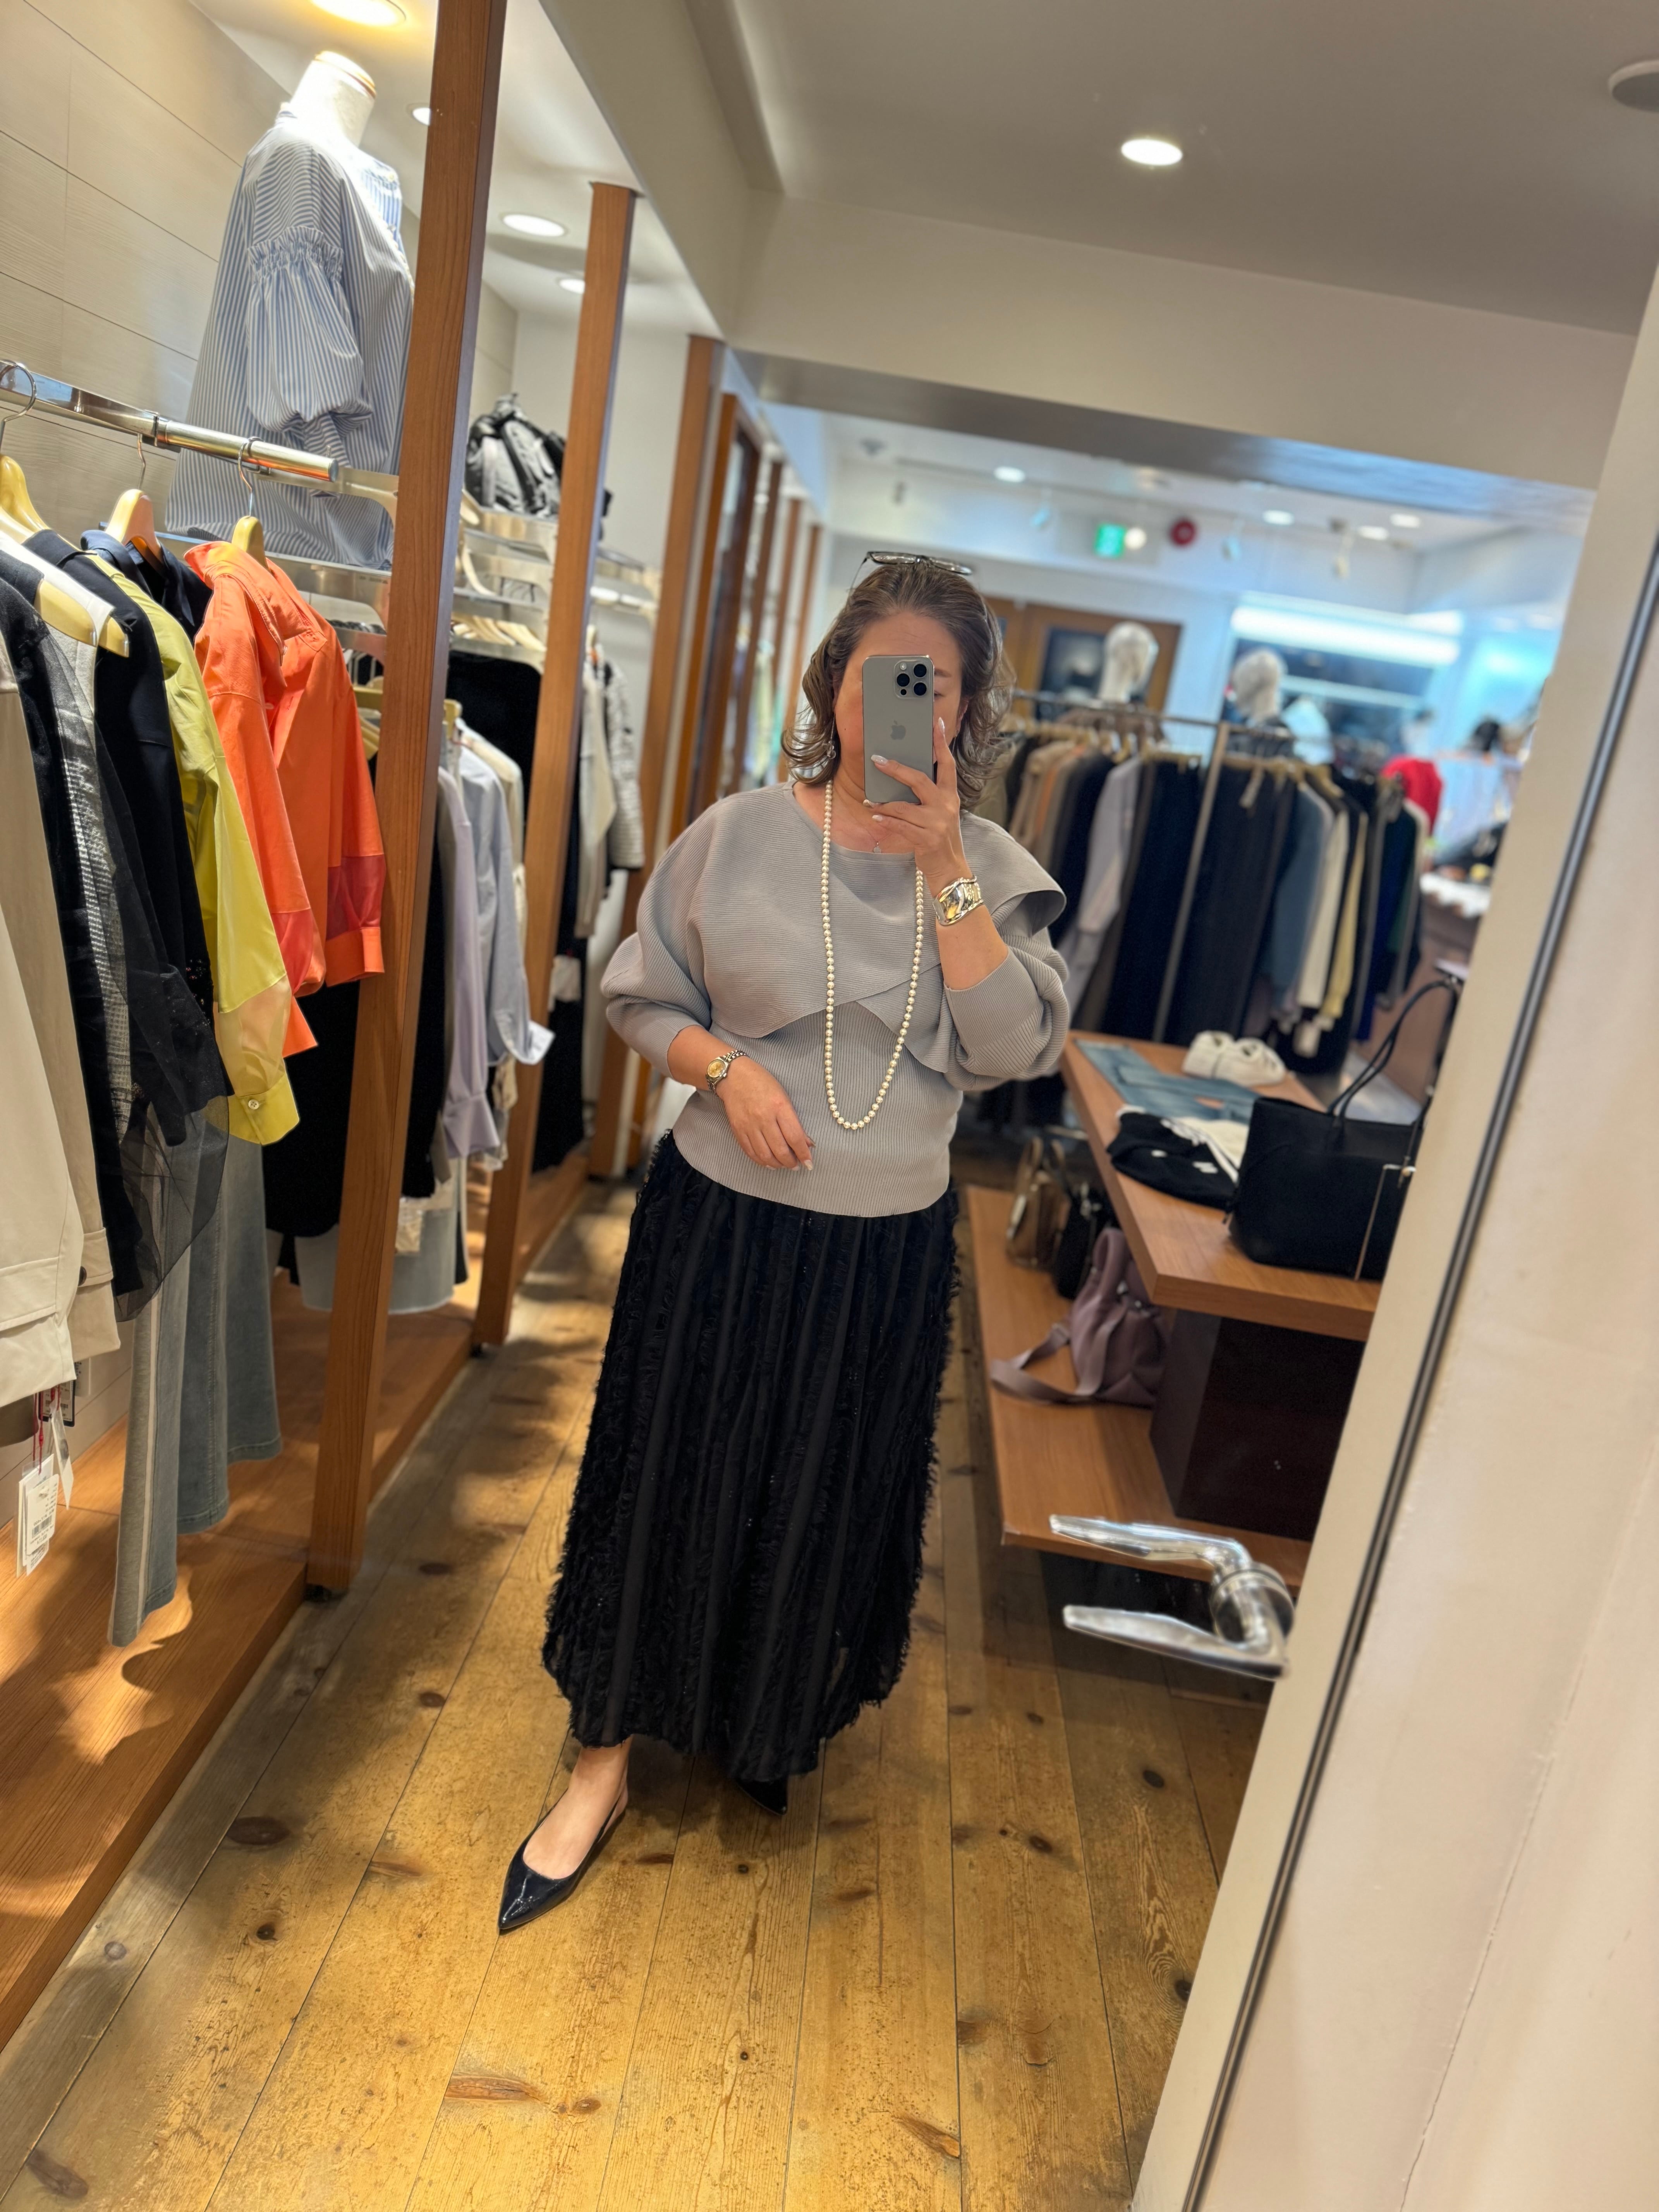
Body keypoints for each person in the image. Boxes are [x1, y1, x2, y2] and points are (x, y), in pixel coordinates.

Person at [499, 555, 1068, 1931]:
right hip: (720, 1224)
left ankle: (755, 1715)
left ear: (969, 711)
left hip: (881, 1251)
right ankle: (600, 1760)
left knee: (819, 1489)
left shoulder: (994, 876)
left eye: (938, 686)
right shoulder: (739, 836)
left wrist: (945, 869)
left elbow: (1010, 1052)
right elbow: (638, 998)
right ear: (833, 684)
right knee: (665, 1477)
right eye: (885, 677)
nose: (910, 707)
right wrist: (727, 1070)